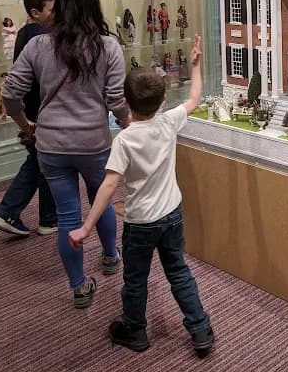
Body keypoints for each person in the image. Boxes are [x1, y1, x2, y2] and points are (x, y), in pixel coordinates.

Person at [69, 34, 214, 357]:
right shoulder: (169, 122)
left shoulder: (124, 140)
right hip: (172, 214)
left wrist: (87, 226)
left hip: (141, 223)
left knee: (136, 279)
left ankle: (134, 330)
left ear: (124, 100)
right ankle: (200, 328)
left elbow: (109, 186)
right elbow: (194, 97)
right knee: (178, 271)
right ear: (162, 100)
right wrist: (196, 64)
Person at [2, 0, 128, 308]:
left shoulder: (37, 45)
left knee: (68, 216)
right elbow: (116, 100)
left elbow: (10, 93)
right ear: (93, 7)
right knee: (101, 201)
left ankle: (79, 286)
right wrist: (128, 125)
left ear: (59, 7)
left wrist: (25, 125)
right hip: (94, 143)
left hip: (51, 145)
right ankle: (111, 256)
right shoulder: (108, 46)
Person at [0, 0, 58, 237]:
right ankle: (44, 218)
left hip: (32, 109)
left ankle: (10, 212)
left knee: (38, 162)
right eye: (52, 9)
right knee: (46, 163)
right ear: (35, 12)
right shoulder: (38, 36)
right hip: (40, 110)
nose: (58, 13)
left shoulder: (25, 34)